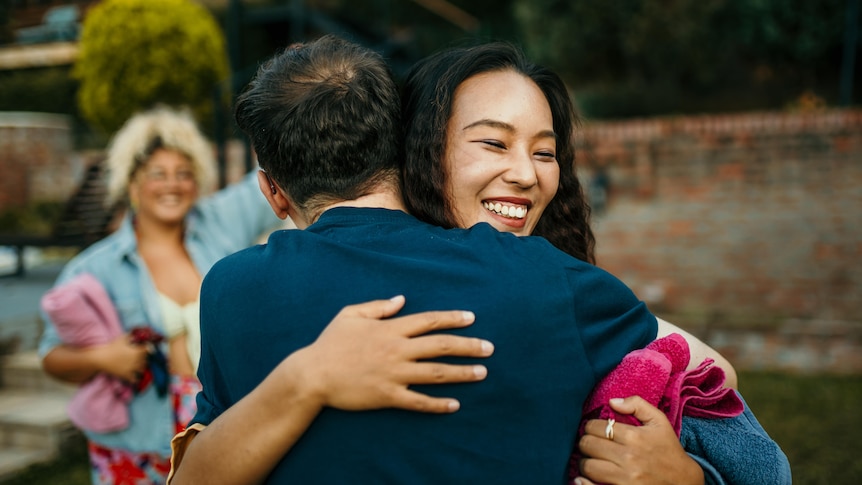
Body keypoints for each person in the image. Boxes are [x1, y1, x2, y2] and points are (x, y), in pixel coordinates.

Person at [167, 35, 777, 485]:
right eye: (492, 141)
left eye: (545, 151)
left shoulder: (233, 287)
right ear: (411, 151)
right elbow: (716, 379)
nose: (524, 173)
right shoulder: (549, 282)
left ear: (272, 191)